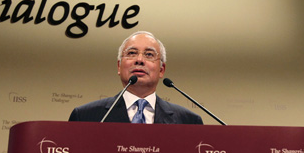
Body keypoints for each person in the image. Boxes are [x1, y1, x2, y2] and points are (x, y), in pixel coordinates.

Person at [68, 31, 203, 124]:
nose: (139, 60)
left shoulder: (188, 121)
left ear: (161, 70)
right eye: (132, 53)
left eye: (149, 54)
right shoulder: (85, 117)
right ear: (119, 66)